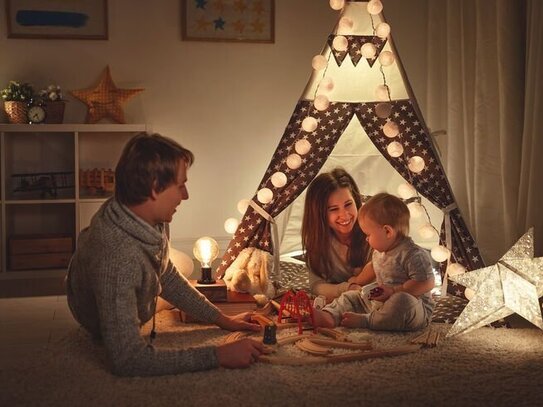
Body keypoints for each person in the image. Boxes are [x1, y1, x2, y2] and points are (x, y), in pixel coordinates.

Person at [66, 132, 263, 377]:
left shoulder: (150, 215)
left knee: (179, 266)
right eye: (180, 186)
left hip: (125, 262)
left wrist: (221, 319)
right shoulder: (117, 259)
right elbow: (128, 360)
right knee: (148, 290)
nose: (186, 195)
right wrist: (218, 355)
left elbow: (166, 274)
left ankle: (154, 296)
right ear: (154, 188)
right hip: (96, 299)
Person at [313, 192, 435, 331]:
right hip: (381, 301)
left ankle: (367, 321)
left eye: (368, 235)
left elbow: (427, 282)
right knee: (352, 297)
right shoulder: (380, 251)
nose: (366, 239)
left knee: (401, 301)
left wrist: (395, 291)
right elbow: (372, 267)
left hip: (415, 308)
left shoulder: (413, 254)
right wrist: (357, 281)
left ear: (387, 231)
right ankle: (329, 315)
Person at [301, 168, 372, 302]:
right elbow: (316, 285)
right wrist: (346, 288)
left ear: (356, 202)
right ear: (319, 214)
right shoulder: (318, 240)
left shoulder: (373, 231)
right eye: (333, 209)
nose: (344, 215)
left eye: (348, 204)